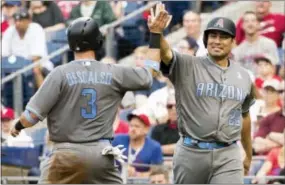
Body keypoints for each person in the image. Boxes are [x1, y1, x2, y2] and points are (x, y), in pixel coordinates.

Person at [10, 15, 164, 184]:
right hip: (100, 154)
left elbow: (31, 117)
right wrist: (155, 34)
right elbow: (150, 73)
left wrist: (18, 126)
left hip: (65, 154)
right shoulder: (114, 72)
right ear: (98, 41)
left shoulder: (59, 74)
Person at [147, 3, 255, 183]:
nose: (217, 41)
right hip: (191, 153)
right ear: (205, 40)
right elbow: (165, 52)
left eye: (224, 36)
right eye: (213, 35)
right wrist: (157, 33)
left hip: (227, 154)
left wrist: (248, 154)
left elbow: (245, 117)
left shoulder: (243, 76)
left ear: (233, 42)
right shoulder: (188, 65)